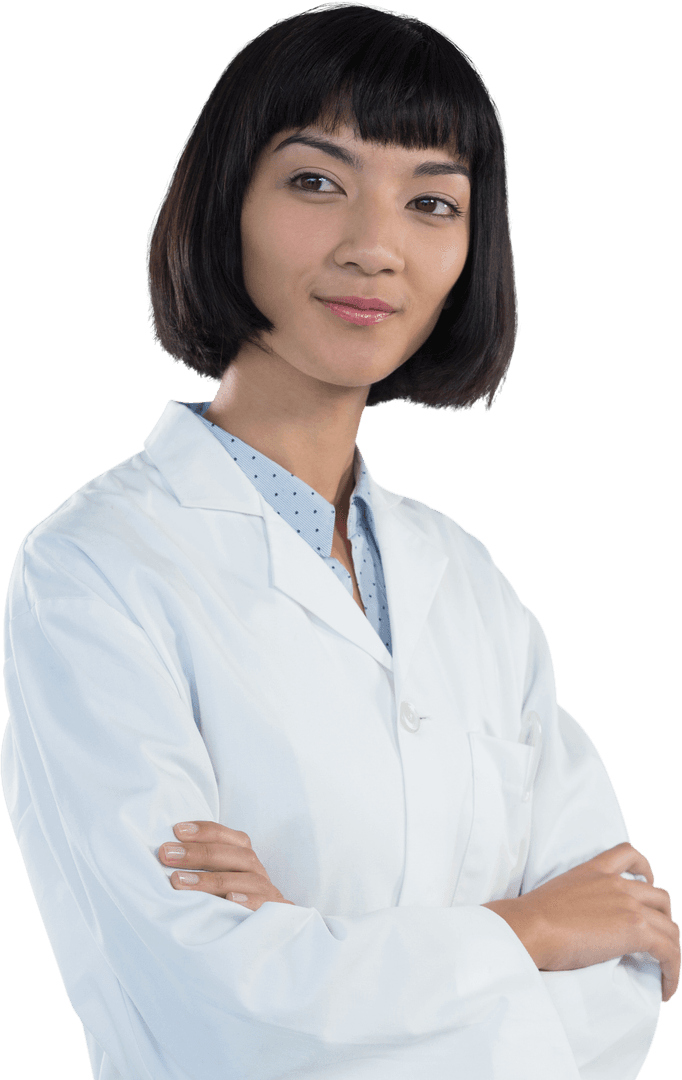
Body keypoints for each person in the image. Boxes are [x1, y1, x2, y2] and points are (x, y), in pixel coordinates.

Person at [2, 3, 679, 1078]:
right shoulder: (94, 569)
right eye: (316, 182)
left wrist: (310, 947)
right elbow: (205, 1008)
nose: (374, 246)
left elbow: (625, 977)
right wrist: (531, 928)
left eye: (430, 201)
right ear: (226, 200)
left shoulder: (466, 582)